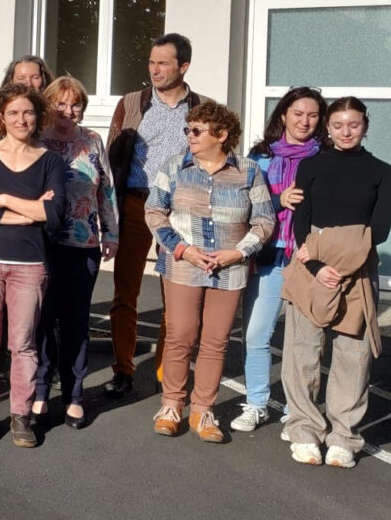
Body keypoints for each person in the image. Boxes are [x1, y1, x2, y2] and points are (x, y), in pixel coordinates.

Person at [146, 101, 272, 443]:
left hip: (230, 271)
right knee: (180, 336)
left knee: (215, 343)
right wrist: (184, 249)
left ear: (222, 134)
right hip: (183, 266)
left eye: (197, 130)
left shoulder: (248, 172)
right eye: (188, 129)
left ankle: (203, 411)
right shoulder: (173, 167)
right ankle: (172, 406)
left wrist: (237, 252)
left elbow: (264, 221)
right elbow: (154, 213)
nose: (190, 136)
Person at [280, 96, 391, 468]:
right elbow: (301, 220)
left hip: (359, 272)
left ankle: (344, 435)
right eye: (338, 124)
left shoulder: (382, 171)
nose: (346, 132)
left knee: (353, 354)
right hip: (312, 266)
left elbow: (378, 230)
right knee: (303, 352)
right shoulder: (311, 166)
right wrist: (315, 265)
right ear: (327, 127)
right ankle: (304, 430)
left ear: (365, 125)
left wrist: (341, 264)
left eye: (354, 124)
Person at [104, 33, 215, 398]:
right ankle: (123, 369)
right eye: (152, 62)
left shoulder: (203, 108)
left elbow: (219, 160)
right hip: (135, 206)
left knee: (175, 298)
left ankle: (169, 373)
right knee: (125, 294)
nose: (155, 70)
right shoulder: (133, 103)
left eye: (163, 63)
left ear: (184, 66)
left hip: (179, 213)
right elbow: (111, 157)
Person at [0, 83, 67, 449]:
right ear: (0, 118)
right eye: (13, 113)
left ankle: (21, 415)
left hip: (30, 265)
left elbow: (54, 214)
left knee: (22, 345)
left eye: (28, 112)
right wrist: (28, 210)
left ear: (37, 116)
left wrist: (4, 201)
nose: (21, 119)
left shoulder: (51, 161)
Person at [231, 87, 326, 433]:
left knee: (303, 341)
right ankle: (257, 403)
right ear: (283, 115)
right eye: (298, 113)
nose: (305, 121)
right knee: (257, 333)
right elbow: (241, 199)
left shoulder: (328, 157)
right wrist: (276, 197)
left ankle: (296, 411)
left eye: (313, 115)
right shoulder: (260, 156)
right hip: (269, 255)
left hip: (309, 259)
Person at [33, 77, 118, 430]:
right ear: (48, 105)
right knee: (40, 321)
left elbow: (107, 191)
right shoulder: (36, 141)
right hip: (41, 244)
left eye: (76, 105)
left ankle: (74, 396)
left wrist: (111, 232)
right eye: (61, 105)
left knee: (75, 323)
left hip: (83, 245)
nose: (69, 112)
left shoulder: (93, 141)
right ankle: (39, 393)